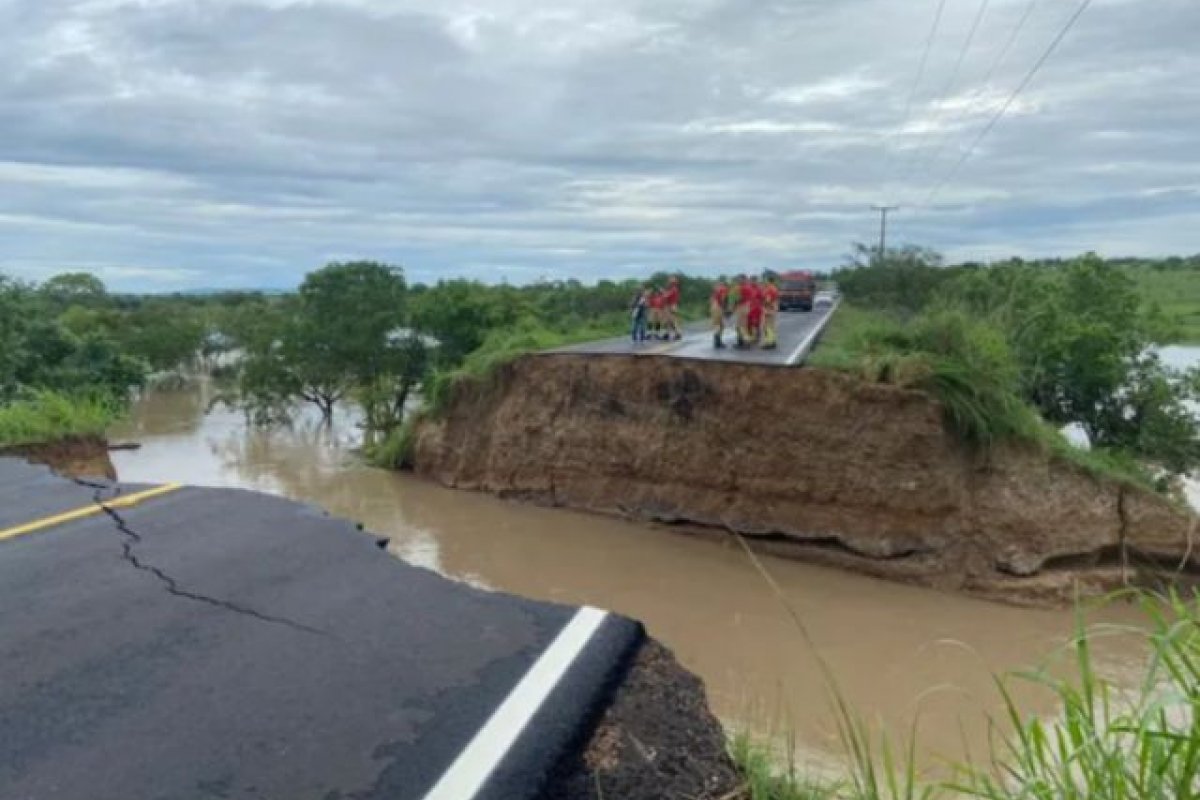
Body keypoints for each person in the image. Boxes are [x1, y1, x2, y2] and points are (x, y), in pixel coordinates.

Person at [761, 274, 780, 349]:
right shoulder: (775, 288)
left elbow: (767, 300)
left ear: (768, 281)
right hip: (773, 308)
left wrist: (763, 304)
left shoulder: (769, 289)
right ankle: (773, 341)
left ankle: (768, 343)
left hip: (768, 309)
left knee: (766, 327)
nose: (764, 282)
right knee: (771, 326)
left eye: (765, 280)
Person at [710, 278, 729, 348]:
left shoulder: (715, 291)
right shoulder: (723, 289)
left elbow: (711, 300)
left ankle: (717, 341)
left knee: (720, 325)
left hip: (714, 306)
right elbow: (722, 299)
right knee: (719, 325)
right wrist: (725, 309)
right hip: (718, 307)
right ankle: (717, 342)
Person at [733, 274, 751, 347]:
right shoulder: (748, 287)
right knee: (742, 325)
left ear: (743, 279)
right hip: (746, 306)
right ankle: (741, 341)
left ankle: (745, 341)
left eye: (739, 279)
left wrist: (732, 307)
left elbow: (737, 299)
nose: (738, 280)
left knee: (740, 326)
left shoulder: (740, 288)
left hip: (741, 307)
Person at [663, 276, 682, 341]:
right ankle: (667, 333)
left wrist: (663, 292)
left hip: (671, 305)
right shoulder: (673, 288)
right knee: (668, 321)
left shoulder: (673, 289)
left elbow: (666, 296)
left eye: (670, 280)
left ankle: (678, 333)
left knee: (672, 320)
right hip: (671, 305)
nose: (668, 281)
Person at [747, 277, 763, 345]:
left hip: (756, 308)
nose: (753, 282)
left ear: (756, 281)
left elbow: (762, 298)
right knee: (749, 323)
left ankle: (756, 337)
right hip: (749, 308)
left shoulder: (759, 289)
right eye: (752, 281)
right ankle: (750, 336)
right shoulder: (748, 288)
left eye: (754, 281)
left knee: (756, 323)